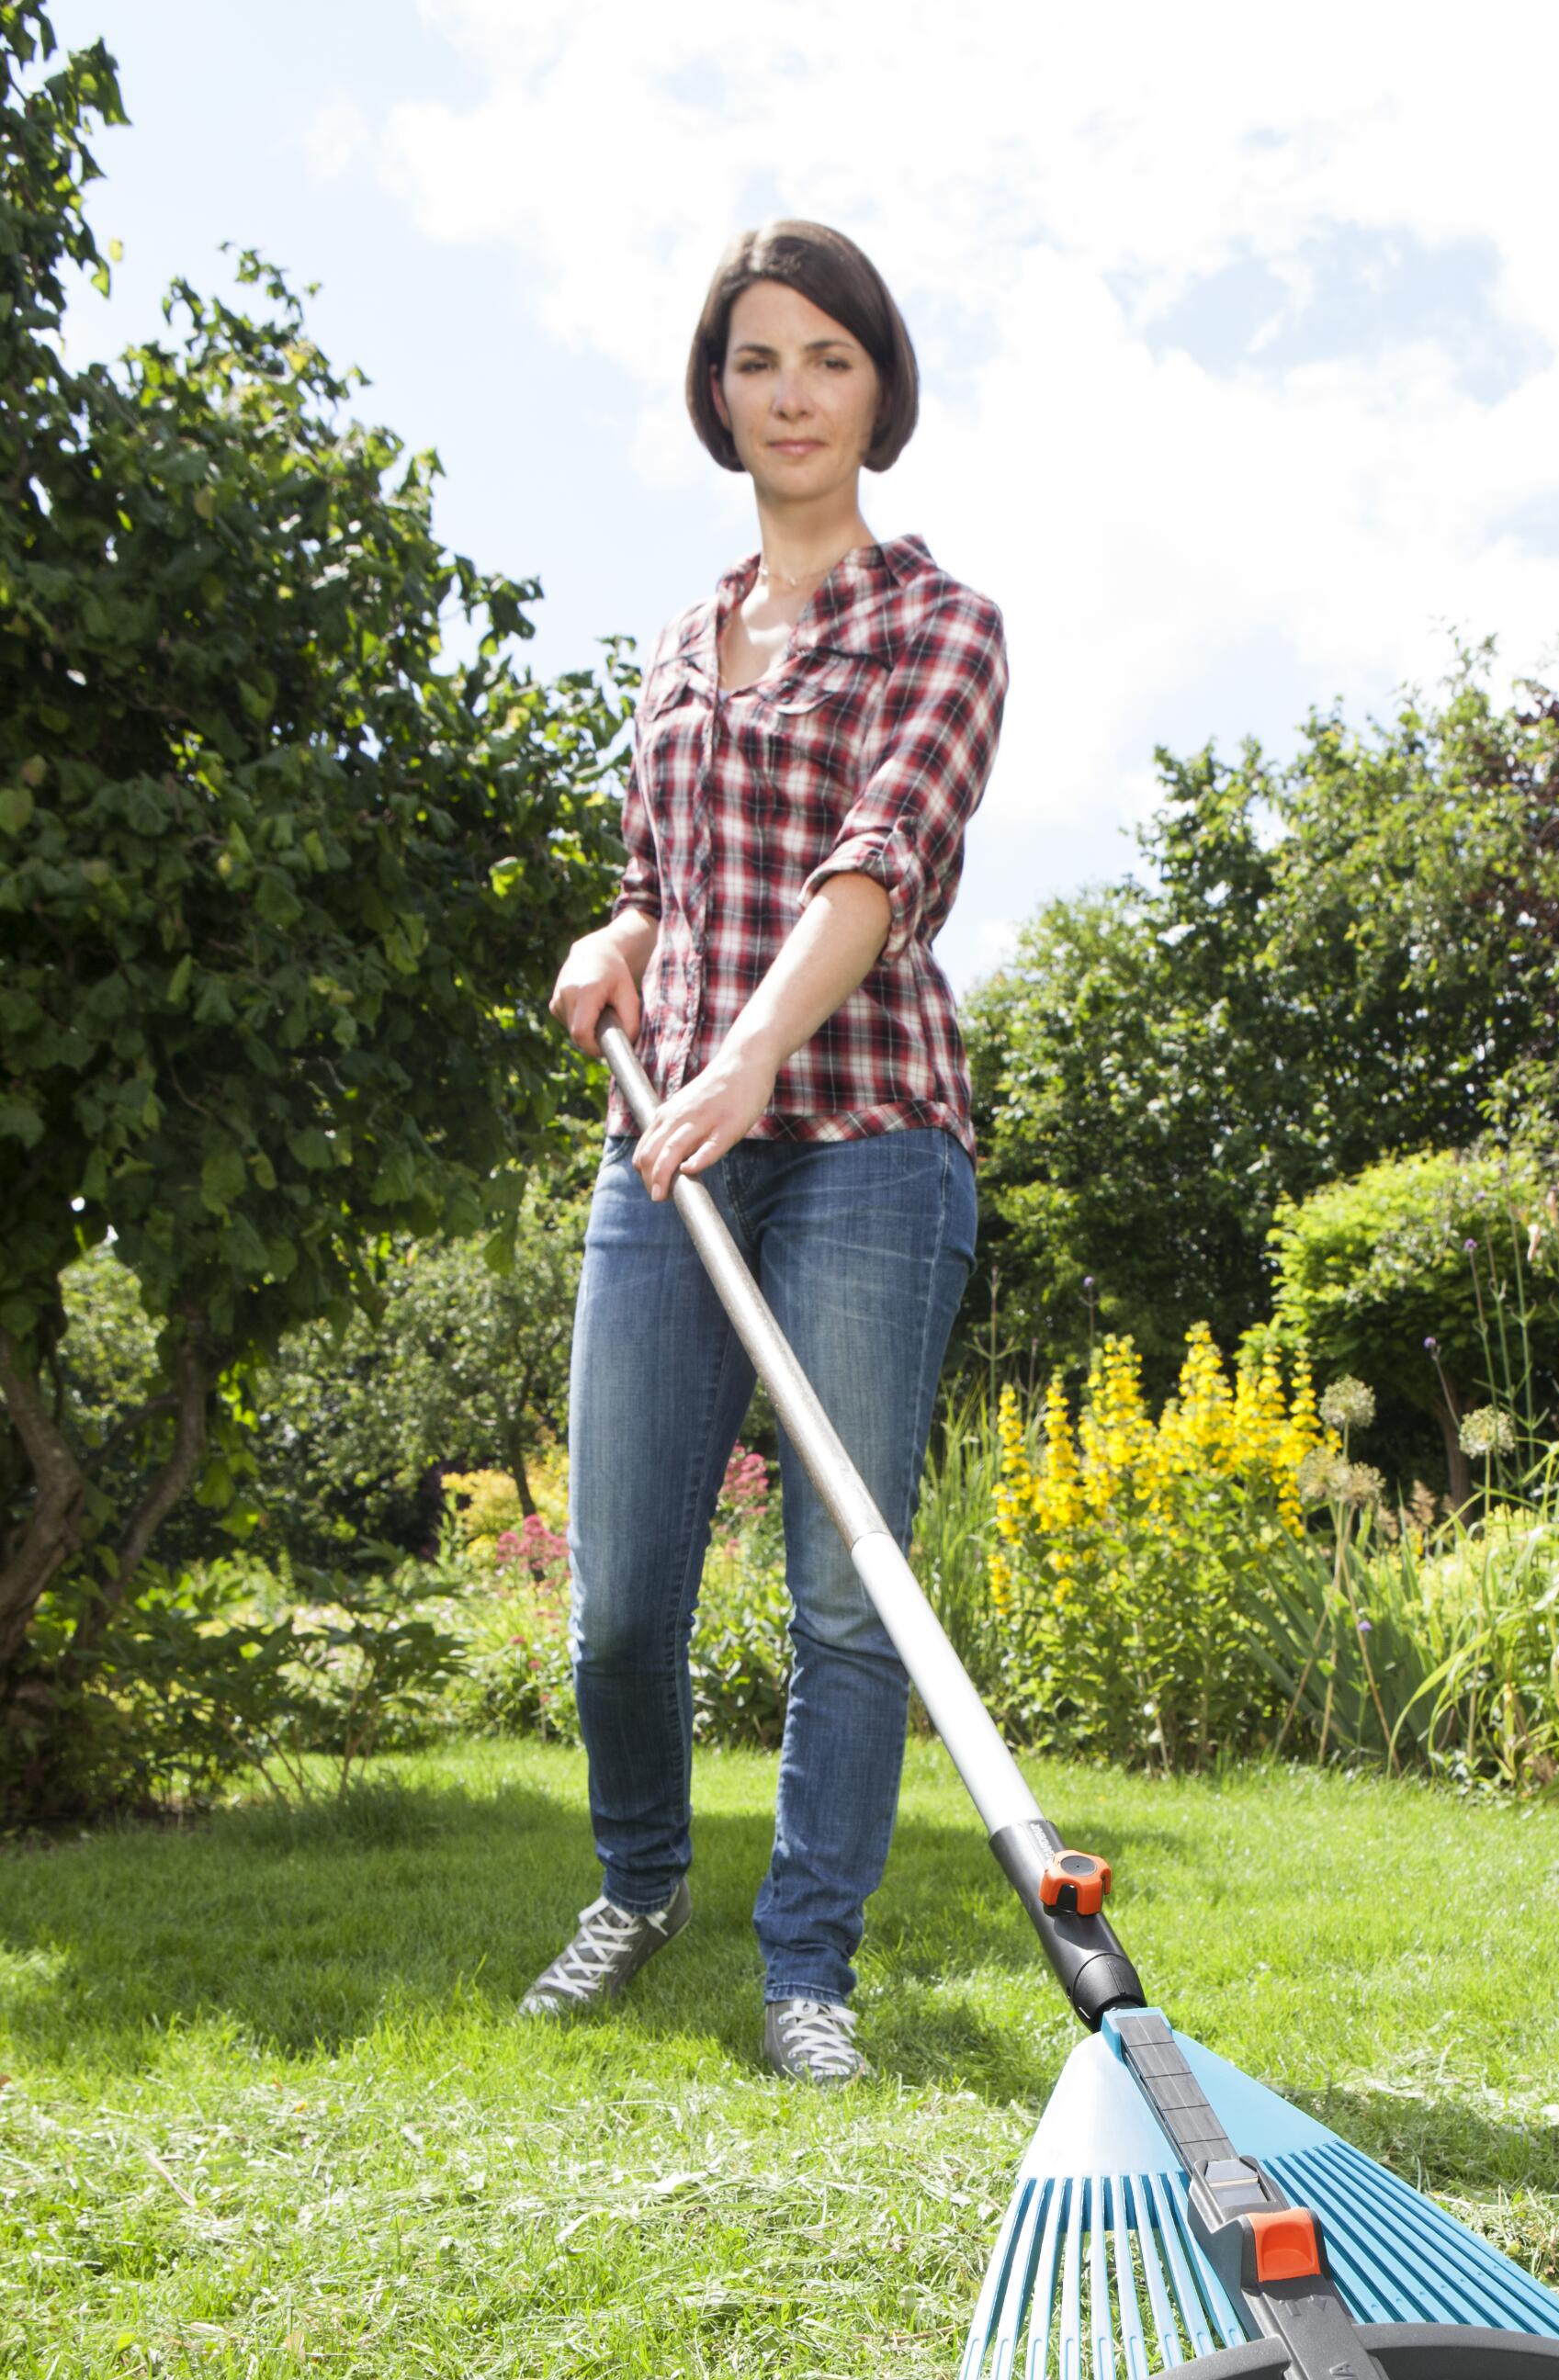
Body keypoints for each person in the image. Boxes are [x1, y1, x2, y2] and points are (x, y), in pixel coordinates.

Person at [525, 220, 1006, 2082]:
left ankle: (806, 1964)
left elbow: (879, 865)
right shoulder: (676, 638)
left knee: (843, 1586)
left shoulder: (939, 623)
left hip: (866, 1139)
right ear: (715, 395)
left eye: (827, 357)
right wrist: (616, 936)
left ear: (878, 385)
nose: (791, 393)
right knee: (624, 1590)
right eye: (756, 360)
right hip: (675, 1160)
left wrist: (742, 1054)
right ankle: (641, 1882)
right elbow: (665, 876)